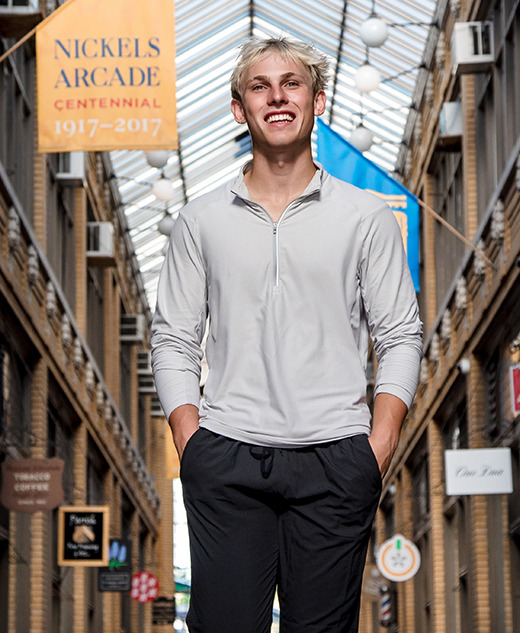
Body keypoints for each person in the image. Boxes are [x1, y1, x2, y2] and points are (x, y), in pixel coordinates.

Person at [151, 36, 423, 633]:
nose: (277, 96)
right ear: (238, 108)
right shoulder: (200, 221)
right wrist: (190, 439)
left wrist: (375, 448)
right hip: (226, 454)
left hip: (337, 458)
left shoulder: (366, 215)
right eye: (259, 86)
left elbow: (400, 334)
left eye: (292, 83)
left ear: (317, 100)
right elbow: (173, 338)